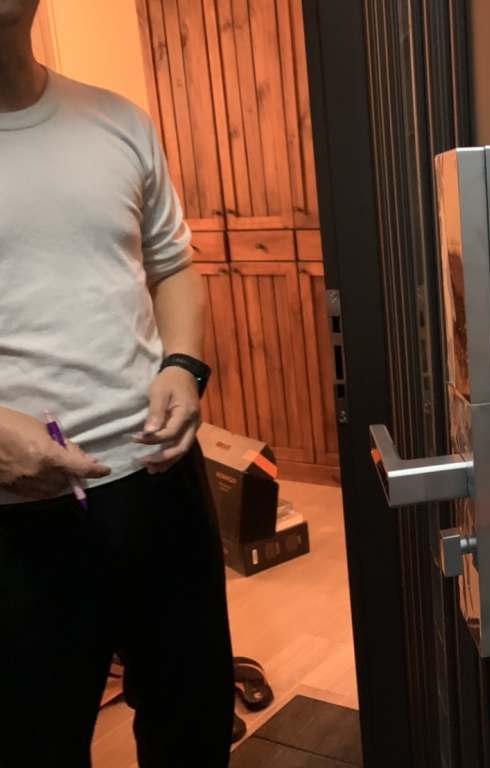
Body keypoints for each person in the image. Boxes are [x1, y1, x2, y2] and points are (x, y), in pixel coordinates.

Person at [0, 1, 235, 765]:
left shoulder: (119, 120)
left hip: (159, 480)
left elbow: (172, 267)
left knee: (193, 725)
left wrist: (183, 365)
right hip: (15, 517)